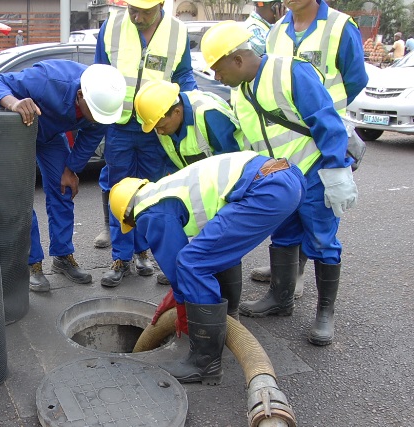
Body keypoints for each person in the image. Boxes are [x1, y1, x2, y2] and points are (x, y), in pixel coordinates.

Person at [202, 21, 359, 346]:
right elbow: (250, 139)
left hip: (314, 173)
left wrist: (336, 170)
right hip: (280, 181)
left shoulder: (290, 72)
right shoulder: (240, 91)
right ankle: (281, 298)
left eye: (218, 69)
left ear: (238, 59)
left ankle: (325, 313)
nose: (216, 78)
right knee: (284, 235)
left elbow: (326, 120)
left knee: (322, 241)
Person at [109, 151, 306, 383]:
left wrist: (183, 309)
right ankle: (227, 318)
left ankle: (205, 363)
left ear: (128, 214)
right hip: (287, 177)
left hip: (266, 188)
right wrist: (179, 293)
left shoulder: (148, 210)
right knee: (216, 252)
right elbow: (211, 250)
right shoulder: (165, 188)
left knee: (193, 263)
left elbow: (179, 264)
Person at [251, 0, 368, 289]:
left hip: (325, 138)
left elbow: (355, 79)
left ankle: (303, 274)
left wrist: (323, 109)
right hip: (288, 142)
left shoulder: (340, 27)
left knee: (319, 216)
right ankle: (291, 275)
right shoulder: (277, 31)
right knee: (288, 212)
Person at [0, 60, 126, 292]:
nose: (98, 119)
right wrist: (14, 103)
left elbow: (90, 137)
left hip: (50, 136)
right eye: (94, 114)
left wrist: (71, 170)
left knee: (64, 190)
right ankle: (32, 264)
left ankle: (62, 256)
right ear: (80, 94)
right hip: (17, 129)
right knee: (21, 198)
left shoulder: (102, 106)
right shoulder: (46, 81)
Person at [94, 0, 198, 287]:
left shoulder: (177, 32)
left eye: (145, 12)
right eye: (132, 11)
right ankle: (121, 257)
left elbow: (183, 75)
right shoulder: (111, 26)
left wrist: (189, 105)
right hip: (120, 126)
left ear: (161, 5)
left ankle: (142, 253)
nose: (137, 17)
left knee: (152, 193)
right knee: (120, 192)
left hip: (156, 127)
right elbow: (99, 73)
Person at [133, 79, 244, 288]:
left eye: (161, 126)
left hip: (231, 183)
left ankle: (229, 303)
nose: (160, 132)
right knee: (196, 231)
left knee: (224, 240)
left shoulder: (208, 115)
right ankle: (192, 273)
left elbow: (233, 163)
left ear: (176, 112)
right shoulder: (165, 123)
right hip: (200, 184)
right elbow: (171, 161)